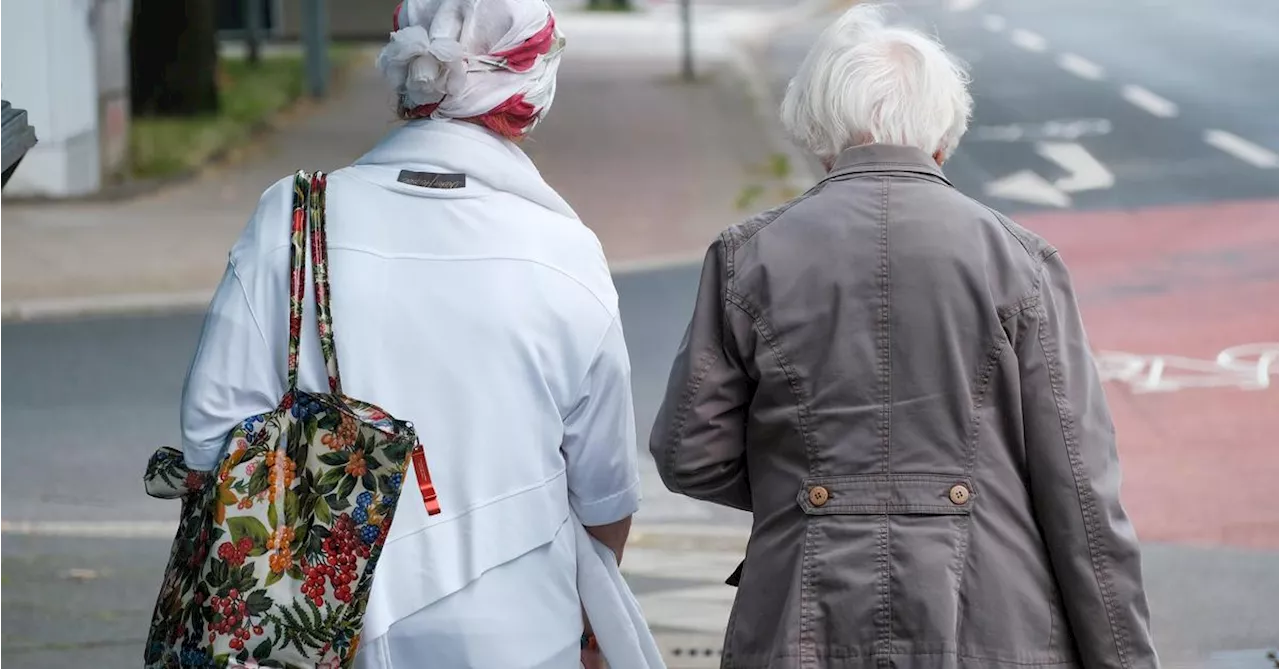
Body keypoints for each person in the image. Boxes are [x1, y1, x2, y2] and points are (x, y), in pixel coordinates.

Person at [650, 5, 1159, 668]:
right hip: (994, 622)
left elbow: (690, 453)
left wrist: (812, 485)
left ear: (817, 130)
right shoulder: (1020, 262)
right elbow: (1080, 489)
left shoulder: (749, 256)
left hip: (801, 618)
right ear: (944, 131)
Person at [179, 1, 658, 667]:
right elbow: (604, 496)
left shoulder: (292, 220)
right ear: (532, 94)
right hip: (519, 635)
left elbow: (209, 441)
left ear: (407, 74)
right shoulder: (568, 256)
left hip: (308, 637)